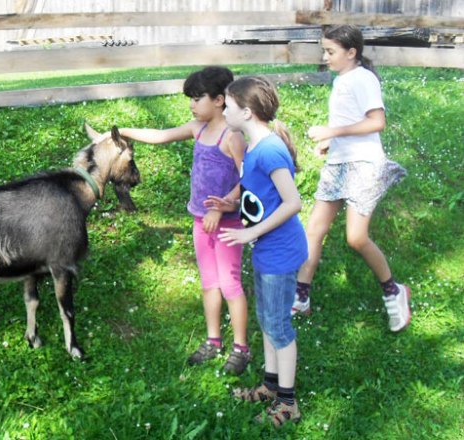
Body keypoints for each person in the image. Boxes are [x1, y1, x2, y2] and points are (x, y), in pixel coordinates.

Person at [119, 66, 252, 374]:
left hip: (227, 224)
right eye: (190, 99)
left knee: (230, 284)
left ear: (220, 100)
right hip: (199, 221)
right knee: (209, 283)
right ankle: (213, 340)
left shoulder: (232, 136)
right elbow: (160, 136)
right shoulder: (199, 128)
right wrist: (124, 131)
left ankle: (241, 347)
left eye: (197, 98)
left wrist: (223, 207)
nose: (192, 104)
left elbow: (249, 178)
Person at [291, 25, 410, 333]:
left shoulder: (363, 78)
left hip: (363, 166)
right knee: (314, 229)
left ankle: (393, 291)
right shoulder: (342, 80)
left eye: (330, 51)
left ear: (351, 52)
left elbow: (377, 121)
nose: (325, 57)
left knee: (356, 237)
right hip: (339, 163)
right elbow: (349, 120)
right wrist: (331, 142)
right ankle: (300, 296)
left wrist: (333, 132)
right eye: (324, 51)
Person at [214, 75, 307, 427]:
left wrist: (249, 231)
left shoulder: (269, 149)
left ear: (247, 112)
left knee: (278, 326)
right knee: (268, 320)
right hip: (267, 250)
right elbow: (257, 192)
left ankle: (288, 404)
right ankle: (270, 386)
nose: (224, 107)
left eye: (229, 103)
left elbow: (293, 202)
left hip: (279, 252)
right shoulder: (254, 146)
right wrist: (229, 203)